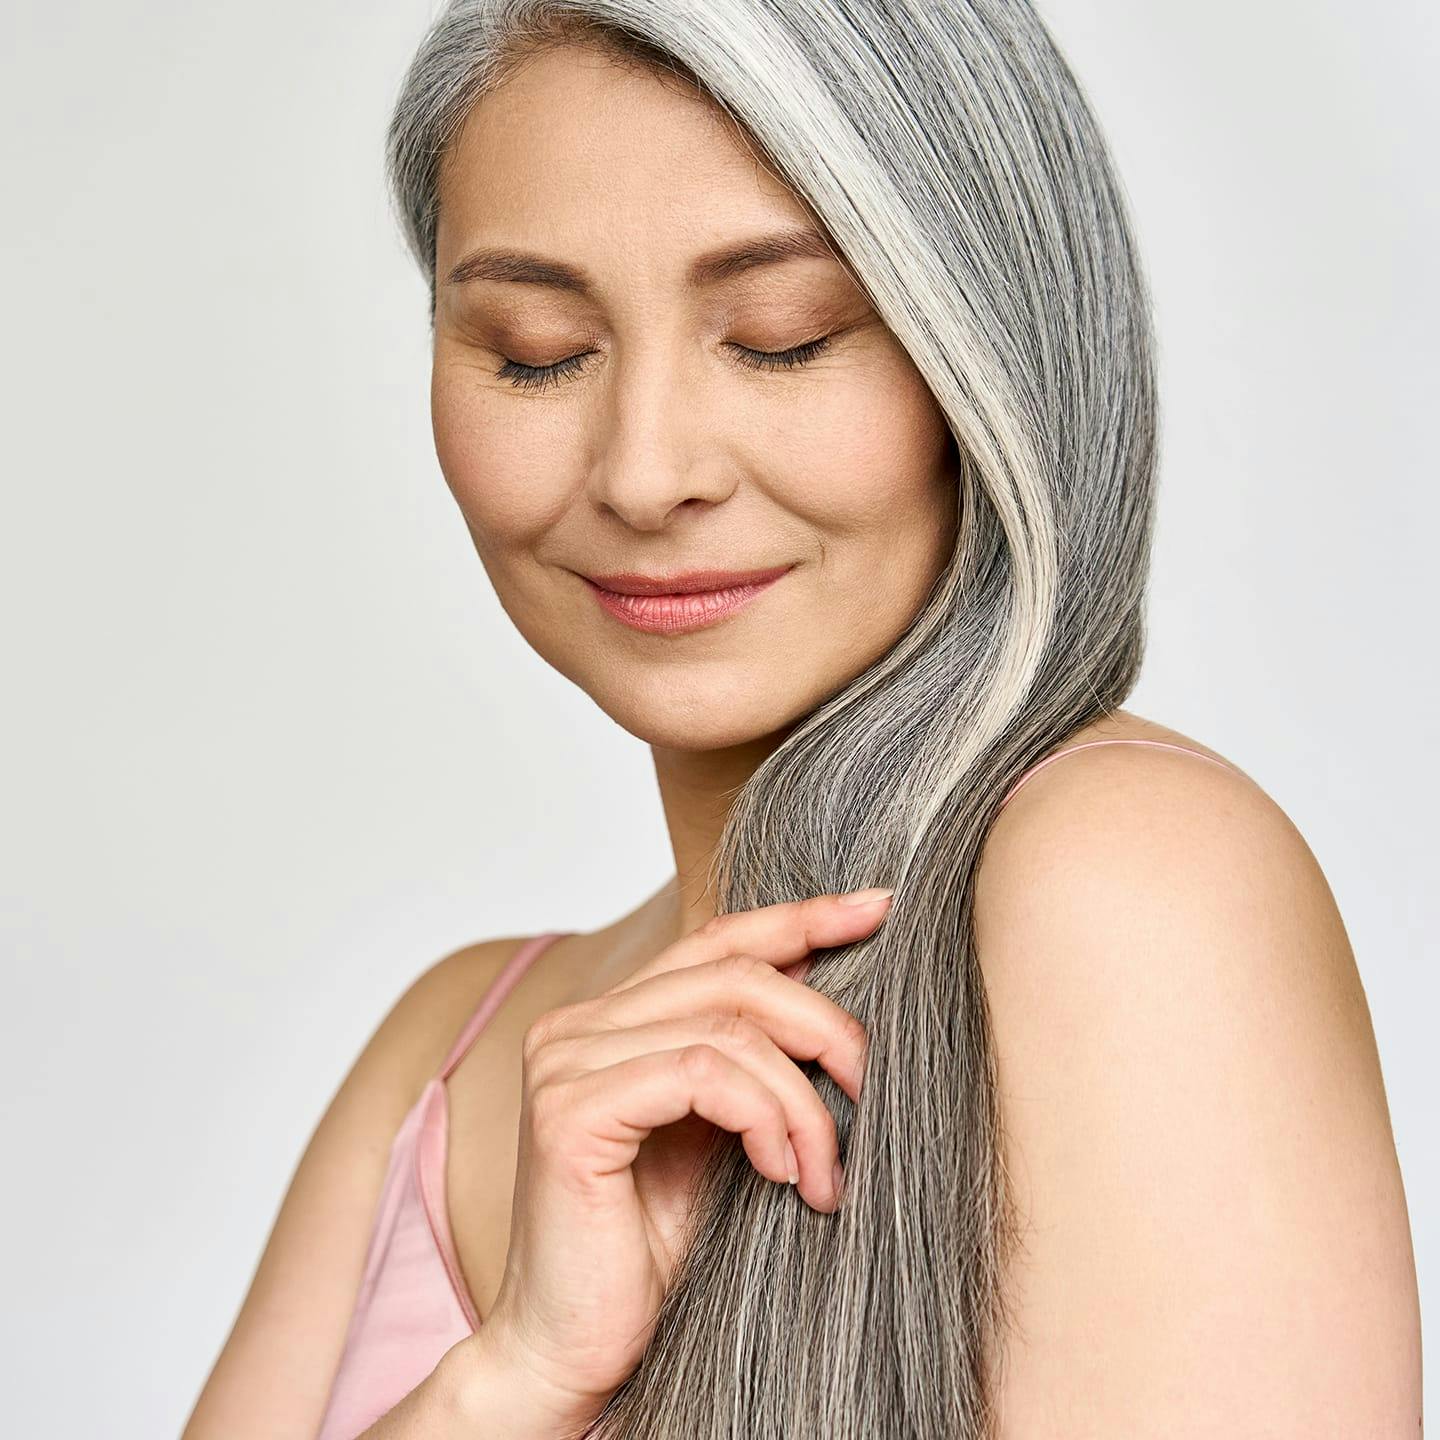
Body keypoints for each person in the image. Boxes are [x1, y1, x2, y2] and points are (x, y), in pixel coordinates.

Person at [181, 4, 1421, 1438]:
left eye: (782, 339)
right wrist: (506, 1381)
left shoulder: (1130, 885)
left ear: (989, 349)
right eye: (536, 351)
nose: (645, 473)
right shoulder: (453, 1049)